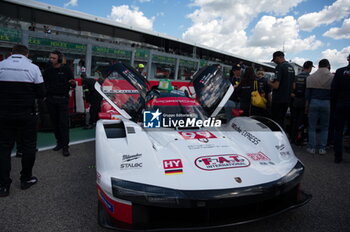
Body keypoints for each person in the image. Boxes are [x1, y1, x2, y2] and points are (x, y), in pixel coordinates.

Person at [0, 44, 45, 197]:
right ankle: (26, 179)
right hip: (27, 114)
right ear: (27, 54)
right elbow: (41, 93)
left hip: (4, 114)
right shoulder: (33, 68)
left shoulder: (1, 65)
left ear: (11, 53)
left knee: (4, 148)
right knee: (28, 147)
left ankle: (3, 186)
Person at [43, 50, 76, 156]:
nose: (51, 59)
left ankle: (66, 147)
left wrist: (73, 83)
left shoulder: (67, 70)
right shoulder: (47, 70)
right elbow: (44, 85)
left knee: (63, 124)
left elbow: (73, 85)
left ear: (60, 59)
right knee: (55, 123)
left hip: (62, 100)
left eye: (54, 58)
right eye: (50, 58)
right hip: (51, 100)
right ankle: (59, 143)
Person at [306, 59, 333, 155]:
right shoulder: (332, 77)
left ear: (318, 66)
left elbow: (307, 95)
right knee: (325, 127)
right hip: (327, 103)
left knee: (312, 126)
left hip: (314, 102)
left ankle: (312, 147)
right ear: (328, 66)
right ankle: (322, 148)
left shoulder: (311, 77)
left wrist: (307, 106)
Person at [331, 54, 350, 163]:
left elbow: (334, 90)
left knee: (338, 131)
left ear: (348, 59)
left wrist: (334, 106)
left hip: (341, 105)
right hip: (342, 104)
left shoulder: (339, 71)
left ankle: (338, 156)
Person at [268, 51, 295, 129]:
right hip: (287, 99)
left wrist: (269, 82)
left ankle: (275, 138)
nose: (275, 62)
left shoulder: (280, 67)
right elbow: (293, 86)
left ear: (278, 57)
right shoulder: (291, 68)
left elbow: (276, 86)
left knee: (275, 121)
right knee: (282, 119)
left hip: (278, 99)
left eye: (274, 60)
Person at [290, 61, 314, 145]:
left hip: (296, 100)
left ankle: (292, 139)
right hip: (304, 101)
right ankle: (299, 140)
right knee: (302, 121)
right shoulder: (310, 77)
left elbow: (292, 89)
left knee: (294, 120)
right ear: (310, 68)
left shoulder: (297, 76)